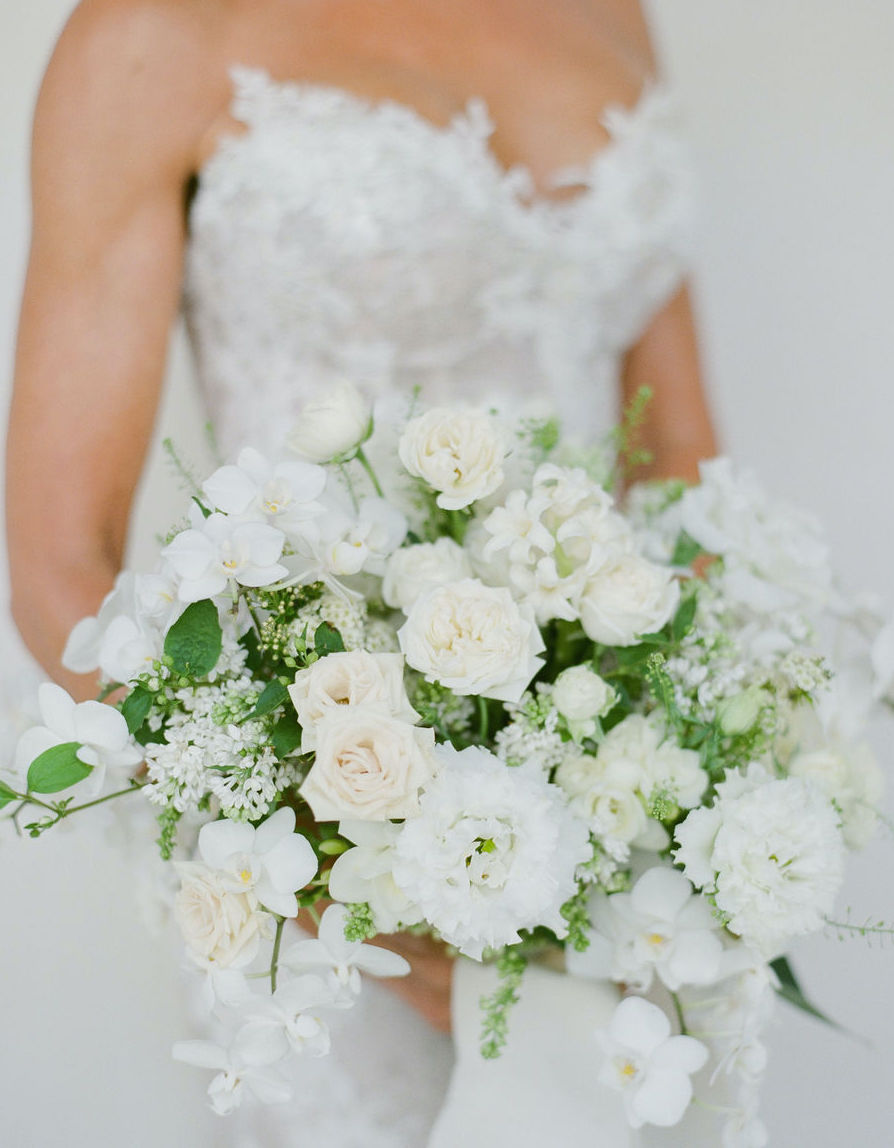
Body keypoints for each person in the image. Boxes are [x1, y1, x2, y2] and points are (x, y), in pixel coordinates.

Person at [5, 0, 717, 1143]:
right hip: (323, 865)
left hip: (599, 857)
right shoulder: (147, 38)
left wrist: (683, 787)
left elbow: (682, 463)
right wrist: (349, 875)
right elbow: (59, 563)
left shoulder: (610, 11)